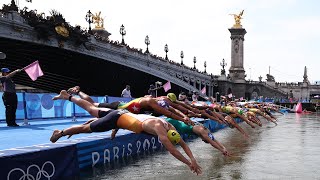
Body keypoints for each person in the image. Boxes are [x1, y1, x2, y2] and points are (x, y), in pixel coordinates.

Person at [51, 90, 202, 175]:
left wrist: (193, 159)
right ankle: (60, 132)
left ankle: (68, 96)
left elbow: (181, 143)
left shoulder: (168, 125)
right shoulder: (159, 129)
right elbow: (173, 150)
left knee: (91, 109)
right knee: (85, 129)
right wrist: (189, 163)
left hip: (120, 114)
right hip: (116, 120)